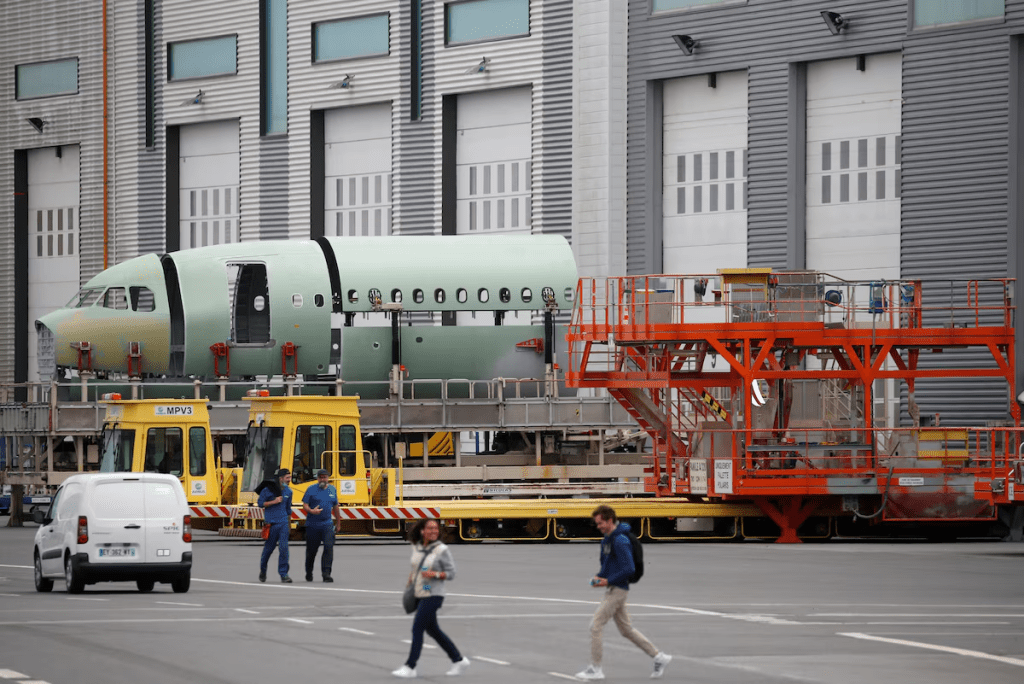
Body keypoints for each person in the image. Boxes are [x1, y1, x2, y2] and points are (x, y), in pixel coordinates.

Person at [575, 505, 672, 680]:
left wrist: (608, 581)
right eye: (597, 524)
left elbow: (629, 568)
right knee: (626, 630)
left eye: (601, 523)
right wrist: (599, 577)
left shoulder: (620, 540)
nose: (599, 527)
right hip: (613, 588)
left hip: (618, 590)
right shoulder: (607, 540)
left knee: (595, 626)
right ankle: (659, 657)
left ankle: (596, 669)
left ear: (610, 520)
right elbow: (607, 565)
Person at [392, 519, 471, 679]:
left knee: (417, 628)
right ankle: (458, 660)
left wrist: (434, 574)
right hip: (422, 592)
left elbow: (451, 573)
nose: (433, 531)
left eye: (436, 528)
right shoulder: (418, 547)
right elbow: (415, 568)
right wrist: (410, 585)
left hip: (434, 594)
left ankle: (410, 666)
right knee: (433, 630)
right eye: (430, 528)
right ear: (422, 531)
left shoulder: (442, 550)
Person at [302, 469, 341, 582]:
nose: (323, 479)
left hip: (327, 524)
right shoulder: (311, 489)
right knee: (311, 551)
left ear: (328, 478)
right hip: (312, 525)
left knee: (329, 547)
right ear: (317, 478)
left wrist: (338, 523)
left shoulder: (332, 489)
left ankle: (326, 574)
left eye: (325, 477)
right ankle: (309, 572)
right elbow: (305, 504)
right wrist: (311, 511)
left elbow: (335, 507)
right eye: (321, 477)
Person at [258, 467, 293, 583]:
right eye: (287, 478)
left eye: (290, 477)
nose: (289, 480)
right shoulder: (268, 490)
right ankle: (263, 570)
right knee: (268, 550)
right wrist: (274, 501)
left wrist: (289, 525)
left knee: (284, 549)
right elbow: (260, 504)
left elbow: (288, 510)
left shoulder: (289, 491)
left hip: (283, 523)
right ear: (281, 478)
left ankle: (284, 574)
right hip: (271, 524)